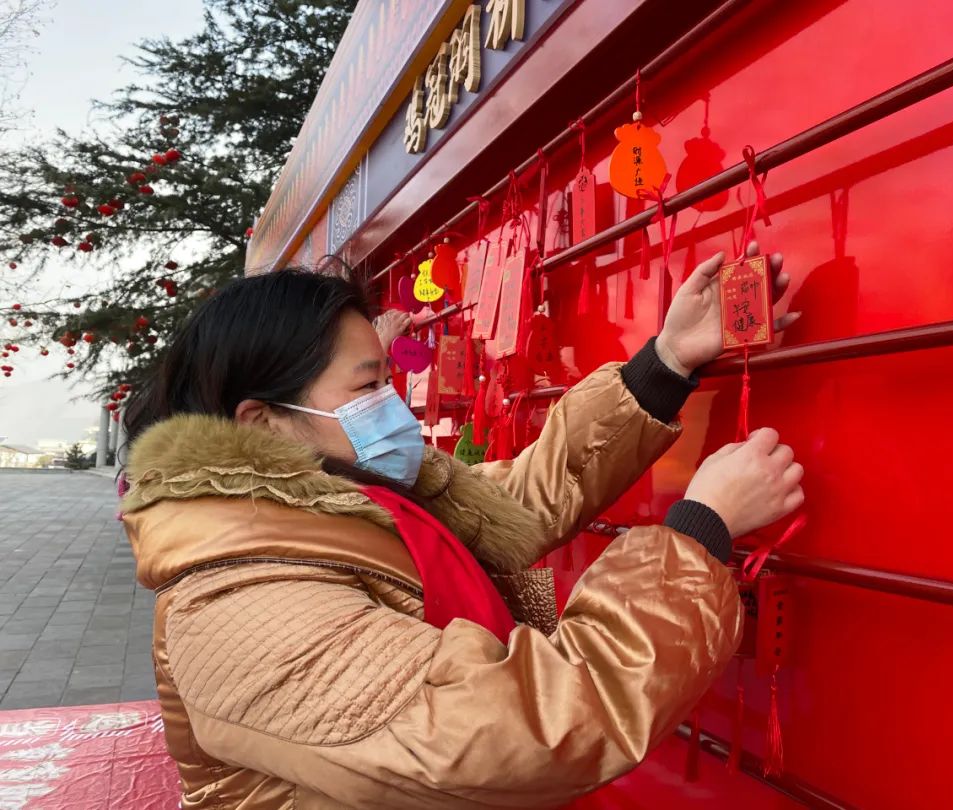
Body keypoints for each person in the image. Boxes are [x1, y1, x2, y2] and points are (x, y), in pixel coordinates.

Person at [119, 247, 803, 809]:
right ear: (262, 423)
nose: (393, 406)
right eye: (366, 389)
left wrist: (668, 361)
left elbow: (522, 502)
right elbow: (524, 733)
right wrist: (695, 536)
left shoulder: (351, 500)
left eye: (388, 380)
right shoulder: (240, 603)